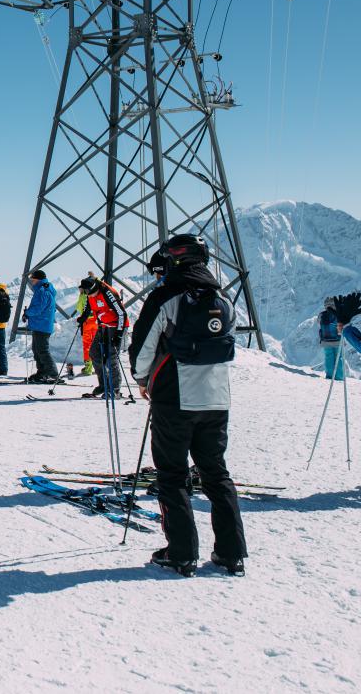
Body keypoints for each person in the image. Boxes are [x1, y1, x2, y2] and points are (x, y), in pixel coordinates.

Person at [129, 234, 246, 577]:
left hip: (175, 397)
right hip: (216, 398)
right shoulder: (222, 298)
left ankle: (181, 554)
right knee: (216, 474)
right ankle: (231, 554)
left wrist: (141, 380)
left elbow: (143, 345)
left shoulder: (165, 297)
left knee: (172, 475)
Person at [78, 276, 129, 398]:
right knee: (94, 353)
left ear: (94, 288)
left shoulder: (107, 292)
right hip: (103, 326)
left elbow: (122, 313)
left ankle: (115, 389)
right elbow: (89, 307)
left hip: (116, 326)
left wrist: (118, 334)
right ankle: (104, 384)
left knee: (111, 356)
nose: (87, 295)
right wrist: (83, 317)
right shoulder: (90, 294)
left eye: (88, 292)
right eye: (85, 292)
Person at [22, 269, 59, 384]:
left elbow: (38, 308)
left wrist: (27, 313)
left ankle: (52, 374)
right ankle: (42, 372)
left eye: (33, 280)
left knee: (42, 350)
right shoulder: (44, 289)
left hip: (42, 324)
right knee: (37, 350)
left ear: (38, 279)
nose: (32, 282)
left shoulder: (42, 291)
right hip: (41, 324)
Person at [320, 298, 345, 381]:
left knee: (328, 358)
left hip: (325, 341)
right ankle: (339, 377)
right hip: (337, 340)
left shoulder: (322, 315)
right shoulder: (338, 314)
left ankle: (329, 376)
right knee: (339, 358)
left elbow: (318, 323)